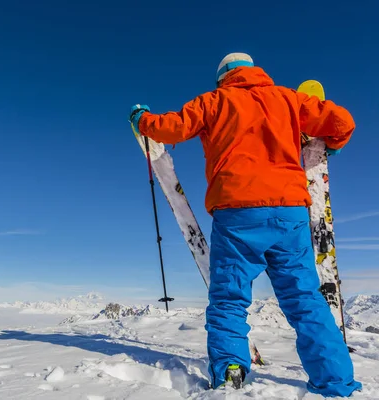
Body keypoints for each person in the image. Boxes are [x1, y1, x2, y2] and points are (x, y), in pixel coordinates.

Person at [129, 53, 362, 397]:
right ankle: (336, 383)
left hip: (237, 213)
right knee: (305, 300)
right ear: (254, 71)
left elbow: (170, 127)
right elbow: (342, 122)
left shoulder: (213, 101)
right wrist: (330, 143)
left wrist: (141, 119)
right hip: (290, 212)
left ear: (222, 77)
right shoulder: (288, 98)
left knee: (228, 299)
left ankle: (231, 374)